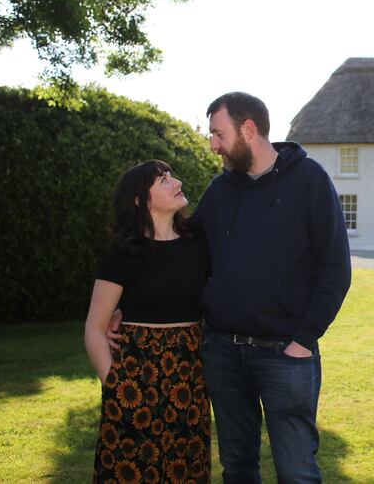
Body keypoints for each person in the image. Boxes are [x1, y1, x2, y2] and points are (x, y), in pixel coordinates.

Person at [196, 92, 351, 483]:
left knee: (297, 472)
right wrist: (123, 302)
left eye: (218, 133)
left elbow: (335, 268)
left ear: (248, 129)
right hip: (223, 354)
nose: (212, 145)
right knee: (237, 469)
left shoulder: (310, 180)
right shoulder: (219, 191)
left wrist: (303, 339)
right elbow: (187, 255)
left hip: (286, 355)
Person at [86, 160, 211, 483]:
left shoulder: (199, 244)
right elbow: (95, 330)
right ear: (141, 200)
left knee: (185, 468)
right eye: (164, 180)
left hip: (189, 378)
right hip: (135, 378)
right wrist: (114, 386)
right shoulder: (124, 252)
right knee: (132, 470)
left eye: (171, 176)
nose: (177, 182)